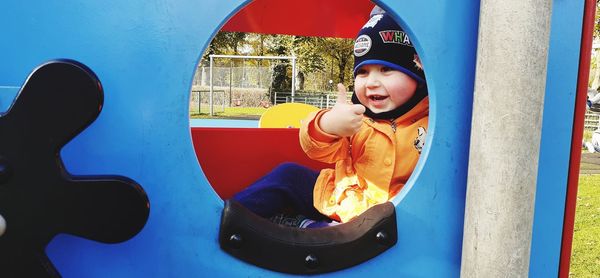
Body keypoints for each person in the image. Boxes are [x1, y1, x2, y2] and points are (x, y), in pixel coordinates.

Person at [233, 12, 428, 228]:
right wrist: (328, 125)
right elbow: (316, 148)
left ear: (417, 74)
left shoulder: (433, 123)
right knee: (287, 174)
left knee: (350, 233)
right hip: (340, 198)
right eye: (362, 72)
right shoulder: (355, 118)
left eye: (386, 69)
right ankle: (226, 219)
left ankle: (309, 228)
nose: (371, 82)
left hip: (390, 220)